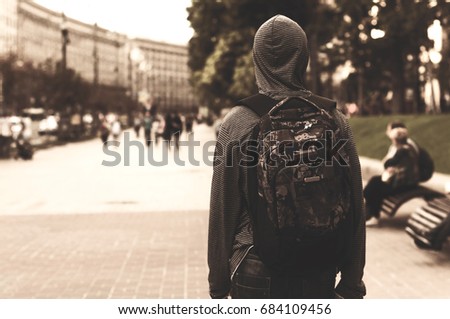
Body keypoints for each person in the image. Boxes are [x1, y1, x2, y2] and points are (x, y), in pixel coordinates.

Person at [208, 15, 366, 299]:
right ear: (303, 57)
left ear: (258, 60)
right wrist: (353, 279)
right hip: (321, 262)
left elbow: (223, 206)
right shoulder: (333, 118)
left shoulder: (239, 122)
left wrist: (218, 281)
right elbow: (355, 200)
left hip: (256, 262)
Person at [364, 121, 420, 226]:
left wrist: (391, 168)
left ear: (396, 140)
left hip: (404, 183)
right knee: (375, 181)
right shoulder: (405, 148)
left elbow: (387, 163)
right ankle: (366, 207)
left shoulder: (402, 151)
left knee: (378, 189)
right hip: (401, 180)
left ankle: (374, 215)